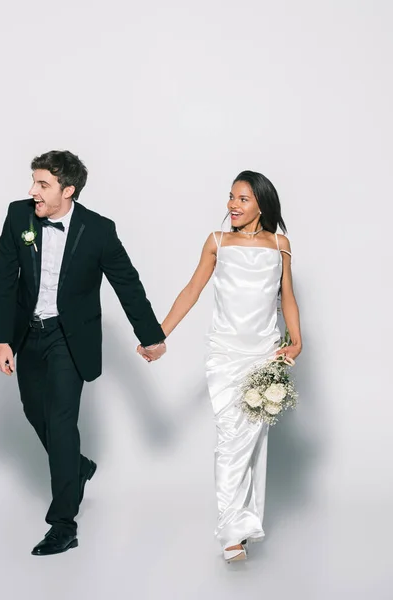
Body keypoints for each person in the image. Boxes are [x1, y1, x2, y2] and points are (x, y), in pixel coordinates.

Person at [0, 150, 166, 556]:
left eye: (42, 184)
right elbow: (3, 277)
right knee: (34, 411)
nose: (32, 191)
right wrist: (2, 338)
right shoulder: (19, 217)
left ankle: (63, 523)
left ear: (68, 191)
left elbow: (127, 283)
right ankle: (78, 468)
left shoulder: (98, 230)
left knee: (61, 420)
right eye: (33, 181)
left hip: (69, 339)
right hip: (26, 334)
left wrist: (151, 335)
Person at [139, 171, 302, 562]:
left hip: (264, 355)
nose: (232, 204)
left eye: (243, 199)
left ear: (261, 203)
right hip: (225, 355)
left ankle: (242, 527)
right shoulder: (217, 242)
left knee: (252, 443)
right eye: (231, 197)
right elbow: (191, 291)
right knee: (231, 438)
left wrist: (296, 341)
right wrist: (158, 334)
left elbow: (288, 297)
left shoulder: (280, 244)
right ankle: (231, 531)